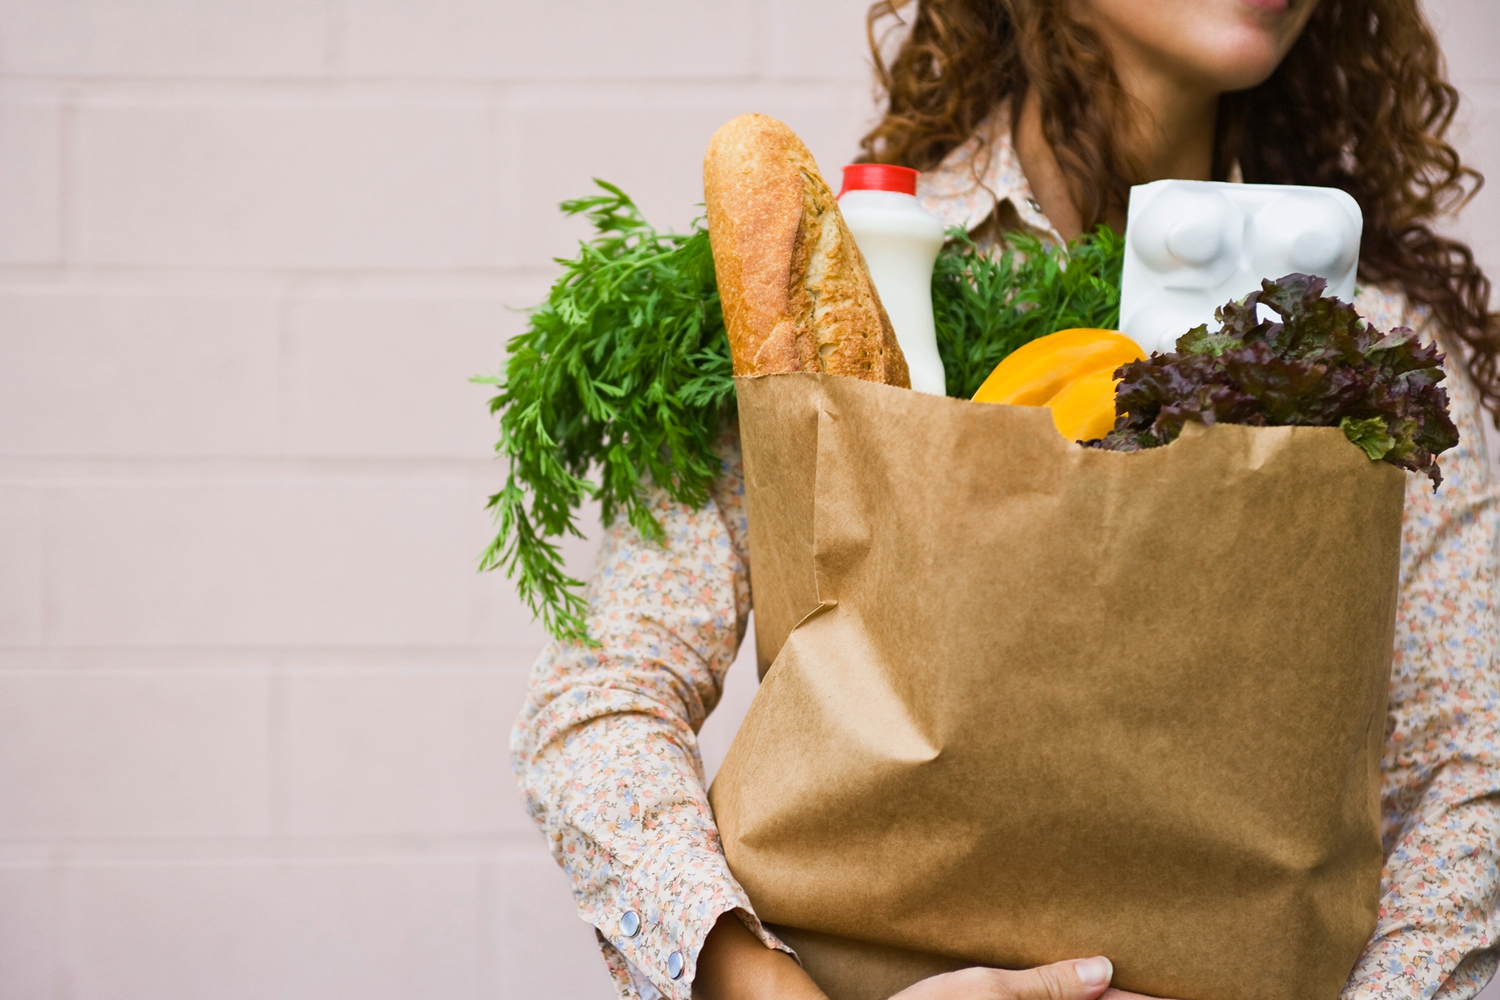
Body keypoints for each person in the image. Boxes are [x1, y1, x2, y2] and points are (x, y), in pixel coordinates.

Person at [512, 1, 1500, 998]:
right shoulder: (854, 276)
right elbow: (598, 700)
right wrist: (765, 989)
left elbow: (1469, 769)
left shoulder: (1372, 348)